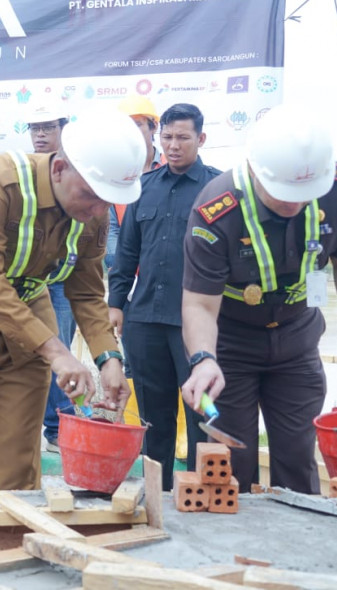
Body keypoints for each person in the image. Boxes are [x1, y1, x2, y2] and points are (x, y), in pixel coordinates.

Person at [0, 107, 145, 491]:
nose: (98, 211)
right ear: (59, 170)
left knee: (20, 467)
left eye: (108, 200)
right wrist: (57, 353)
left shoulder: (94, 211)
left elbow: (85, 290)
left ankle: (16, 543)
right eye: (91, 195)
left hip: (26, 336)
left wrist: (109, 358)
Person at [180, 105, 337, 494]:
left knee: (296, 456)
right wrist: (203, 358)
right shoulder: (216, 209)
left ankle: (300, 548)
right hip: (232, 346)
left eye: (304, 196)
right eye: (283, 194)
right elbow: (199, 303)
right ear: (255, 168)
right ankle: (233, 548)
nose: (294, 204)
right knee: (228, 462)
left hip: (297, 340)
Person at [107, 103, 219, 490]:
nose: (173, 146)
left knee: (205, 412)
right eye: (167, 137)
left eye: (182, 138)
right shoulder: (143, 188)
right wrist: (116, 302)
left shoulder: (217, 189)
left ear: (200, 139)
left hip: (196, 327)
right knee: (154, 416)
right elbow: (127, 253)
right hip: (146, 323)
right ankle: (159, 493)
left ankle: (205, 491)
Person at [21, 100, 76, 454]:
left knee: (61, 348)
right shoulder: (22, 171)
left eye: (47, 127)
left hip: (64, 277)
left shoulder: (74, 166)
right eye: (35, 128)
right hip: (33, 279)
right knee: (41, 349)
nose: (40, 134)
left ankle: (63, 424)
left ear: (62, 127)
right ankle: (54, 426)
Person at [106, 95, 161, 268]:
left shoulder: (171, 166)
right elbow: (111, 227)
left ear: (153, 127)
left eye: (137, 125)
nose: (130, 132)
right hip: (127, 268)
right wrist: (121, 267)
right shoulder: (113, 172)